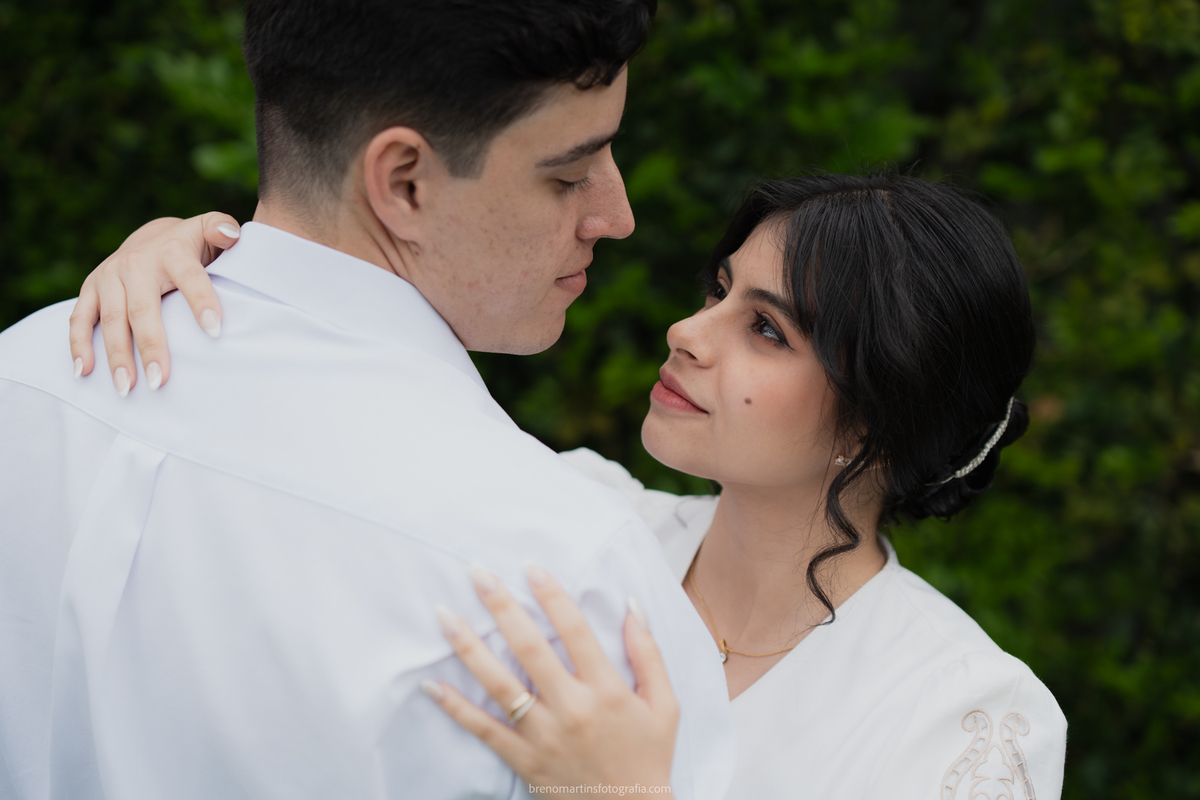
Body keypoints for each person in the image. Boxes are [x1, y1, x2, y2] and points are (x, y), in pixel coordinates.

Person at [73, 173, 1069, 799]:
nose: (689, 331)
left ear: (880, 414)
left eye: (766, 328)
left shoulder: (966, 717)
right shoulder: (578, 519)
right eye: (720, 291)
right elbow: (326, 454)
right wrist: (205, 263)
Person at [0, 2, 740, 799]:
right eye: (566, 174)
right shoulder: (565, 575)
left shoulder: (24, 376)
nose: (615, 215)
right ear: (404, 183)